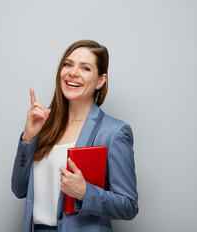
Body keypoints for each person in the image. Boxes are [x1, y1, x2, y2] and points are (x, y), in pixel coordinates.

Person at [12, 40, 138, 232]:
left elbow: (129, 206)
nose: (73, 72)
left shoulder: (114, 132)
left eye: (85, 68)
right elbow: (19, 189)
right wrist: (28, 139)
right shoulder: (45, 127)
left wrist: (85, 193)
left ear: (100, 81)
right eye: (68, 64)